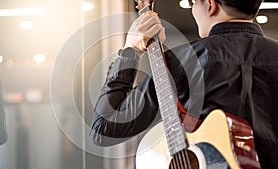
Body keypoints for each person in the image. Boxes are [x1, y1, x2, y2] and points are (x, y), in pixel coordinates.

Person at [90, 0, 278, 168]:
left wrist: (131, 51)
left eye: (192, 3)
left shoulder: (183, 62)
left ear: (210, 5)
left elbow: (104, 128)